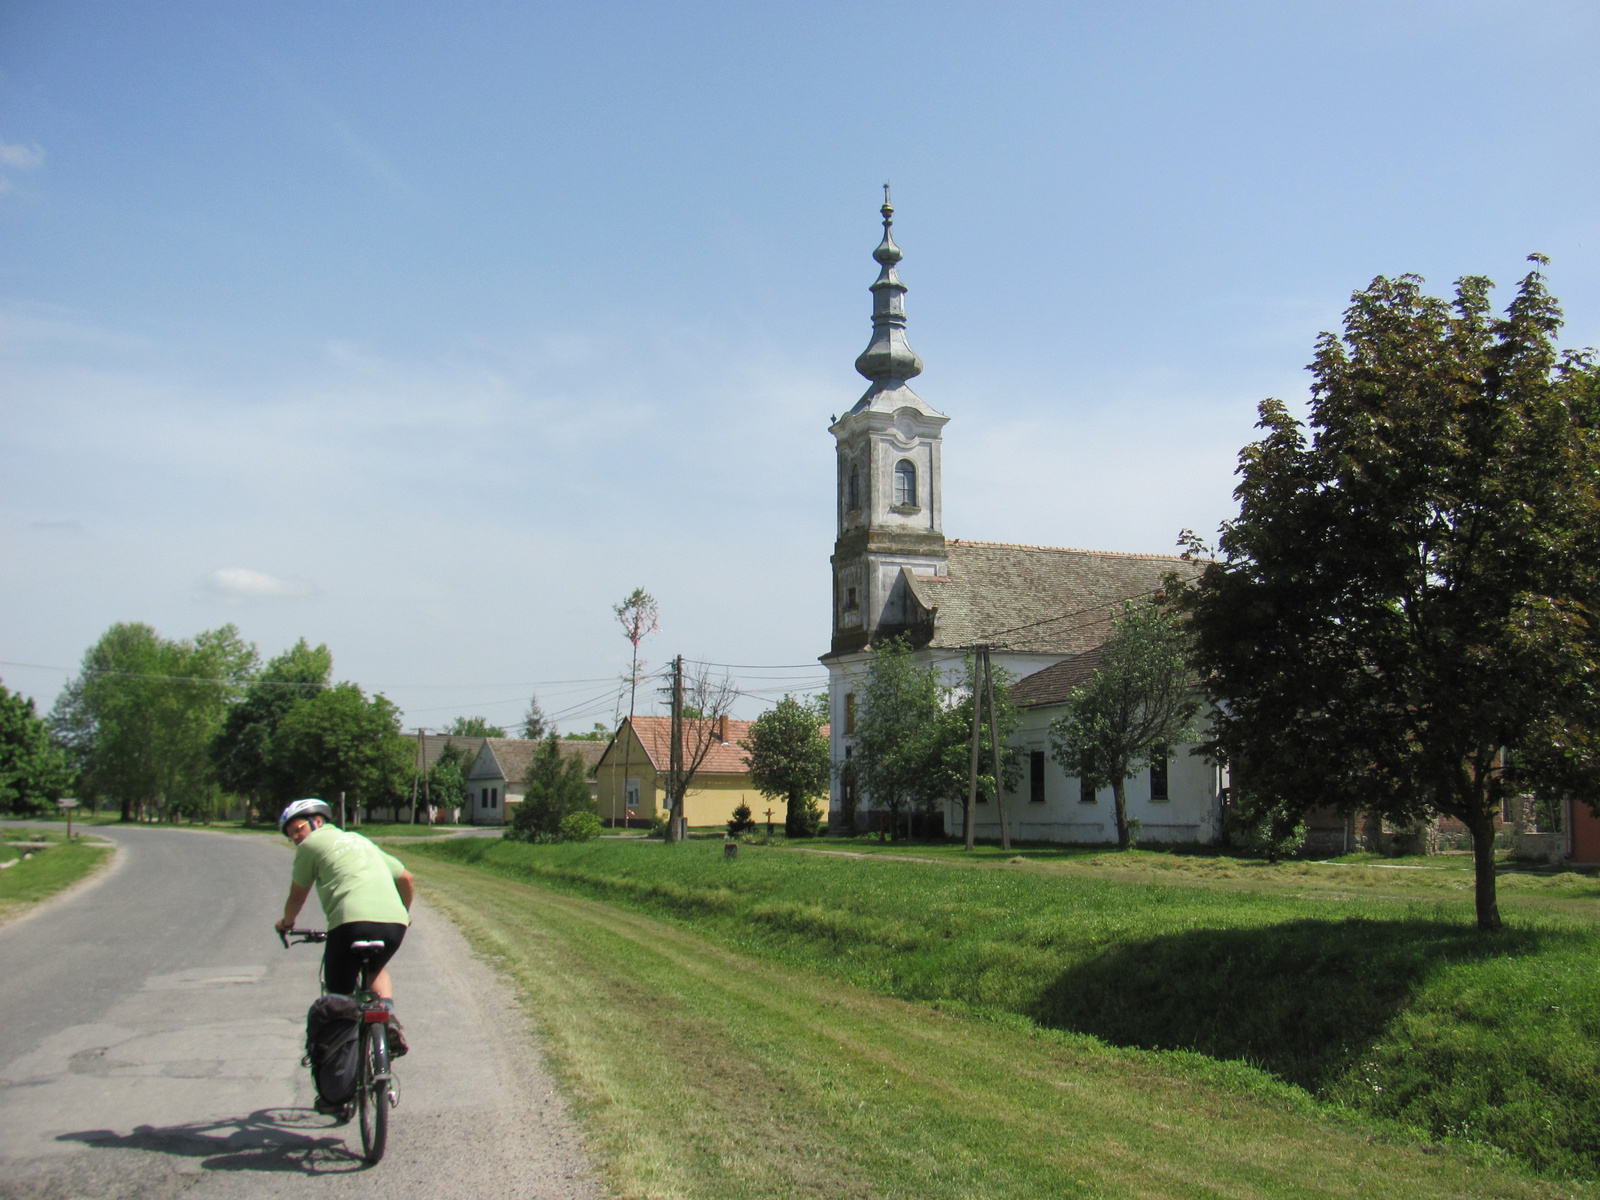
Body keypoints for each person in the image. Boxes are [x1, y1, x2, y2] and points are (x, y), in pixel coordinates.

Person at [275, 798, 414, 1056]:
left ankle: (343, 1060)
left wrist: (287, 923)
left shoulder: (310, 846)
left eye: (298, 828)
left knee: (338, 995)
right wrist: (404, 913)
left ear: (318, 821)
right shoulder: (361, 841)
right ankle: (388, 1018)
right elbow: (406, 877)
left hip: (350, 922)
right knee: (375, 968)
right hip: (394, 923)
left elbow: (297, 895)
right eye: (290, 834)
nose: (295, 837)